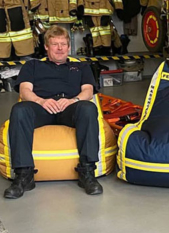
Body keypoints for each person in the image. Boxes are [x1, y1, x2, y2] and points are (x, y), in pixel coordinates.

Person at [4, 25, 102, 199]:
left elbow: (87, 91)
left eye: (63, 44)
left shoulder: (81, 66)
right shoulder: (32, 65)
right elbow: (25, 91)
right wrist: (41, 101)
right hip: (41, 106)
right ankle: (24, 175)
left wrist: (73, 100)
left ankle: (87, 173)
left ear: (68, 47)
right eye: (55, 44)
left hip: (70, 107)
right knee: (19, 110)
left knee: (88, 108)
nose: (59, 48)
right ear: (46, 47)